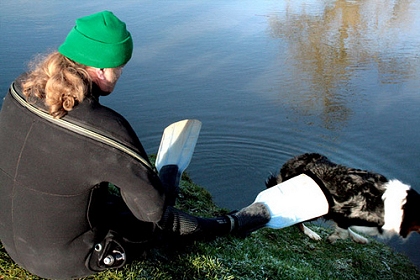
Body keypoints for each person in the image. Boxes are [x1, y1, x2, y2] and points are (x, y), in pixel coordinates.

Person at [0, 11, 270, 279]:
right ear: (102, 69)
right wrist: (163, 182)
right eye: (120, 66)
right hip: (60, 261)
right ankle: (230, 223)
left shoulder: (20, 89)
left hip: (11, 236)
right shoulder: (107, 130)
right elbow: (152, 212)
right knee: (150, 220)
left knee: (111, 202)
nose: (120, 73)